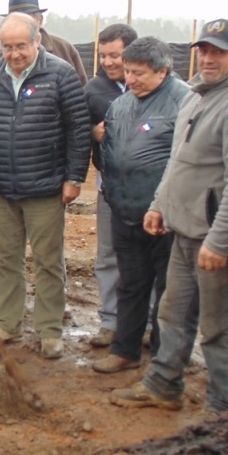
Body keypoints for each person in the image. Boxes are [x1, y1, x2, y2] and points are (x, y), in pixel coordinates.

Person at [110, 19, 228, 414]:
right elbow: (178, 162)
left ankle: (225, 408)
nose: (209, 57)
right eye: (204, 49)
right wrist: (160, 204)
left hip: (221, 239)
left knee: (220, 327)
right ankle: (164, 384)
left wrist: (220, 241)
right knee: (172, 313)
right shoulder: (197, 97)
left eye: (219, 51)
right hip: (184, 231)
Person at [0, 12, 90, 360]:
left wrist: (74, 177)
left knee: (48, 262)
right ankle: (8, 322)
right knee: (7, 259)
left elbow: (78, 129)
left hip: (47, 187)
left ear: (37, 41)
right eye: (7, 47)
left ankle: (49, 329)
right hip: (3, 188)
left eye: (21, 45)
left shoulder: (61, 75)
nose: (14, 53)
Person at [91, 37, 189, 374]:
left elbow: (186, 162)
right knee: (130, 283)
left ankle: (165, 358)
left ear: (163, 71)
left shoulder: (185, 102)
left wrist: (165, 206)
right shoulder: (122, 103)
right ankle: (126, 350)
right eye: (128, 72)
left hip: (166, 215)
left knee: (169, 288)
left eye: (139, 73)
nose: (130, 79)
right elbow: (110, 150)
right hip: (125, 210)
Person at [82, 23, 138, 348]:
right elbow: (79, 130)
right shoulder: (93, 90)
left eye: (114, 55)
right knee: (107, 255)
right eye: (103, 55)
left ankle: (145, 325)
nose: (108, 61)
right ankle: (110, 321)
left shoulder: (151, 85)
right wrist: (94, 133)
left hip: (148, 190)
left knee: (146, 258)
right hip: (108, 188)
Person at [0, 0, 88, 85]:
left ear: (40, 21)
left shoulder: (64, 49)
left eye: (27, 20)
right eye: (15, 20)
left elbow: (80, 94)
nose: (21, 26)